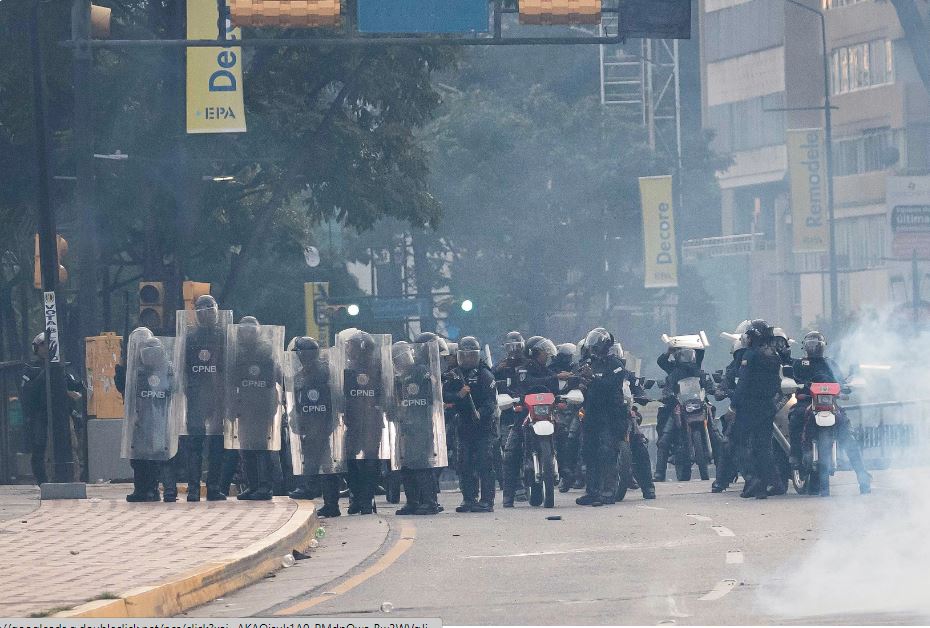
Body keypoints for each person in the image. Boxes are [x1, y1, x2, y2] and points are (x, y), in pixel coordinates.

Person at [789, 331, 871, 495]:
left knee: (847, 433)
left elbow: (840, 381)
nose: (813, 348)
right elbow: (793, 380)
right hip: (807, 402)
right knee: (795, 417)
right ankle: (796, 456)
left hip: (829, 403)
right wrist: (797, 386)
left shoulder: (830, 363)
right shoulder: (799, 364)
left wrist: (848, 385)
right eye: (810, 345)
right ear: (805, 347)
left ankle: (863, 476)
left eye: (816, 345)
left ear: (823, 347)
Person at [178, 295, 230, 501]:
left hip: (217, 397)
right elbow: (184, 367)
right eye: (202, 310)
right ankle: (193, 489)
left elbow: (228, 367)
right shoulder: (190, 338)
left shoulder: (223, 336)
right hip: (196, 396)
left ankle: (213, 487)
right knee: (195, 444)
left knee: (216, 443)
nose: (207, 314)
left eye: (210, 309)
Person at [227, 316, 284, 501]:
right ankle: (252, 486)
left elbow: (280, 378)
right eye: (244, 331)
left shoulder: (267, 353)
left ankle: (265, 486)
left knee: (261, 448)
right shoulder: (236, 354)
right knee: (245, 448)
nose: (247, 334)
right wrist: (231, 406)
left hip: (262, 406)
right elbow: (230, 382)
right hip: (244, 406)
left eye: (251, 331)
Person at [285, 336, 344, 516]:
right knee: (317, 464)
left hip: (323, 425)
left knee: (327, 466)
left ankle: (331, 504)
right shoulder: (303, 375)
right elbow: (298, 401)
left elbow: (334, 399)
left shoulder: (324, 372)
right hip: (310, 426)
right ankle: (323, 499)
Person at [121, 332, 181, 502]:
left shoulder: (168, 369)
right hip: (142, 419)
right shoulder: (138, 372)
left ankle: (169, 491)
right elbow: (128, 394)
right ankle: (145, 490)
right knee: (139, 457)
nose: (151, 356)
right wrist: (121, 370)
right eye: (147, 353)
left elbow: (175, 390)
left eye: (154, 352)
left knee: (165, 457)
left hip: (163, 418)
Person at [574, 328, 630, 506]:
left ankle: (608, 491)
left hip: (610, 415)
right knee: (588, 451)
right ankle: (592, 491)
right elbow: (577, 380)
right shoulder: (587, 363)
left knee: (607, 452)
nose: (594, 350)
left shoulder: (616, 365)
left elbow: (610, 385)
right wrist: (578, 381)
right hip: (591, 413)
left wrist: (594, 379)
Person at [390, 339, 446, 515]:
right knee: (407, 466)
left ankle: (430, 502)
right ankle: (412, 501)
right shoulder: (400, 378)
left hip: (421, 425)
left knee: (422, 464)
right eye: (397, 359)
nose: (401, 361)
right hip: (405, 426)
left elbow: (432, 395)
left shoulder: (421, 371)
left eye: (403, 356)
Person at [444, 336, 498, 513]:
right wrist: (459, 395)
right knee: (463, 463)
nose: (467, 359)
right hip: (463, 425)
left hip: (483, 427)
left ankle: (487, 501)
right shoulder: (454, 374)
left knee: (485, 462)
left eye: (471, 355)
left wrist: (480, 413)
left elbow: (491, 403)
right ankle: (468, 498)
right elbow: (444, 395)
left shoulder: (485, 375)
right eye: (464, 355)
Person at [21, 332, 82, 486]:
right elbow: (28, 393)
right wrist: (46, 370)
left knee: (71, 446)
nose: (46, 347)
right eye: (42, 344)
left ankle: (73, 478)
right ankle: (43, 481)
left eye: (49, 343)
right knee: (40, 448)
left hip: (62, 414)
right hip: (41, 415)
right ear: (36, 347)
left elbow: (76, 385)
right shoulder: (31, 368)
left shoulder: (63, 366)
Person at [732, 319, 782, 499]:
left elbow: (743, 382)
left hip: (749, 405)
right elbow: (778, 382)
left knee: (739, 443)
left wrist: (734, 404)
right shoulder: (773, 355)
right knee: (764, 446)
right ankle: (769, 483)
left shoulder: (750, 355)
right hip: (768, 405)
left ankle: (752, 478)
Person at [342, 330, 390, 515]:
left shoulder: (377, 369)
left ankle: (367, 500)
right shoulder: (347, 368)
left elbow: (385, 394)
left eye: (351, 345)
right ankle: (356, 496)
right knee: (349, 460)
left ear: (362, 347)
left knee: (370, 461)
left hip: (372, 422)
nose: (348, 349)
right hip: (352, 422)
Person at [654, 344, 707, 482]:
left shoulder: (698, 371)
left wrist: (713, 388)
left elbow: (707, 384)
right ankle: (659, 473)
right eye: (683, 355)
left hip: (698, 405)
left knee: (716, 434)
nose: (687, 358)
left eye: (690, 354)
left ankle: (723, 469)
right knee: (664, 439)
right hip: (678, 407)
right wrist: (667, 393)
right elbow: (661, 364)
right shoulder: (673, 371)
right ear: (677, 357)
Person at [712, 320, 751, 493]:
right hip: (739, 410)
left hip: (767, 407)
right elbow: (724, 385)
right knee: (727, 441)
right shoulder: (733, 368)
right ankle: (722, 479)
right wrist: (721, 391)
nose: (743, 356)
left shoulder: (766, 359)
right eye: (741, 353)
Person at [495, 331, 526, 495]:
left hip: (527, 412)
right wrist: (496, 371)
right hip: (508, 414)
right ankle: (515, 487)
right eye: (510, 347)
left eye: (517, 346)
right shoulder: (501, 367)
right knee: (509, 451)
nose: (514, 351)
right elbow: (490, 382)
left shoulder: (529, 364)